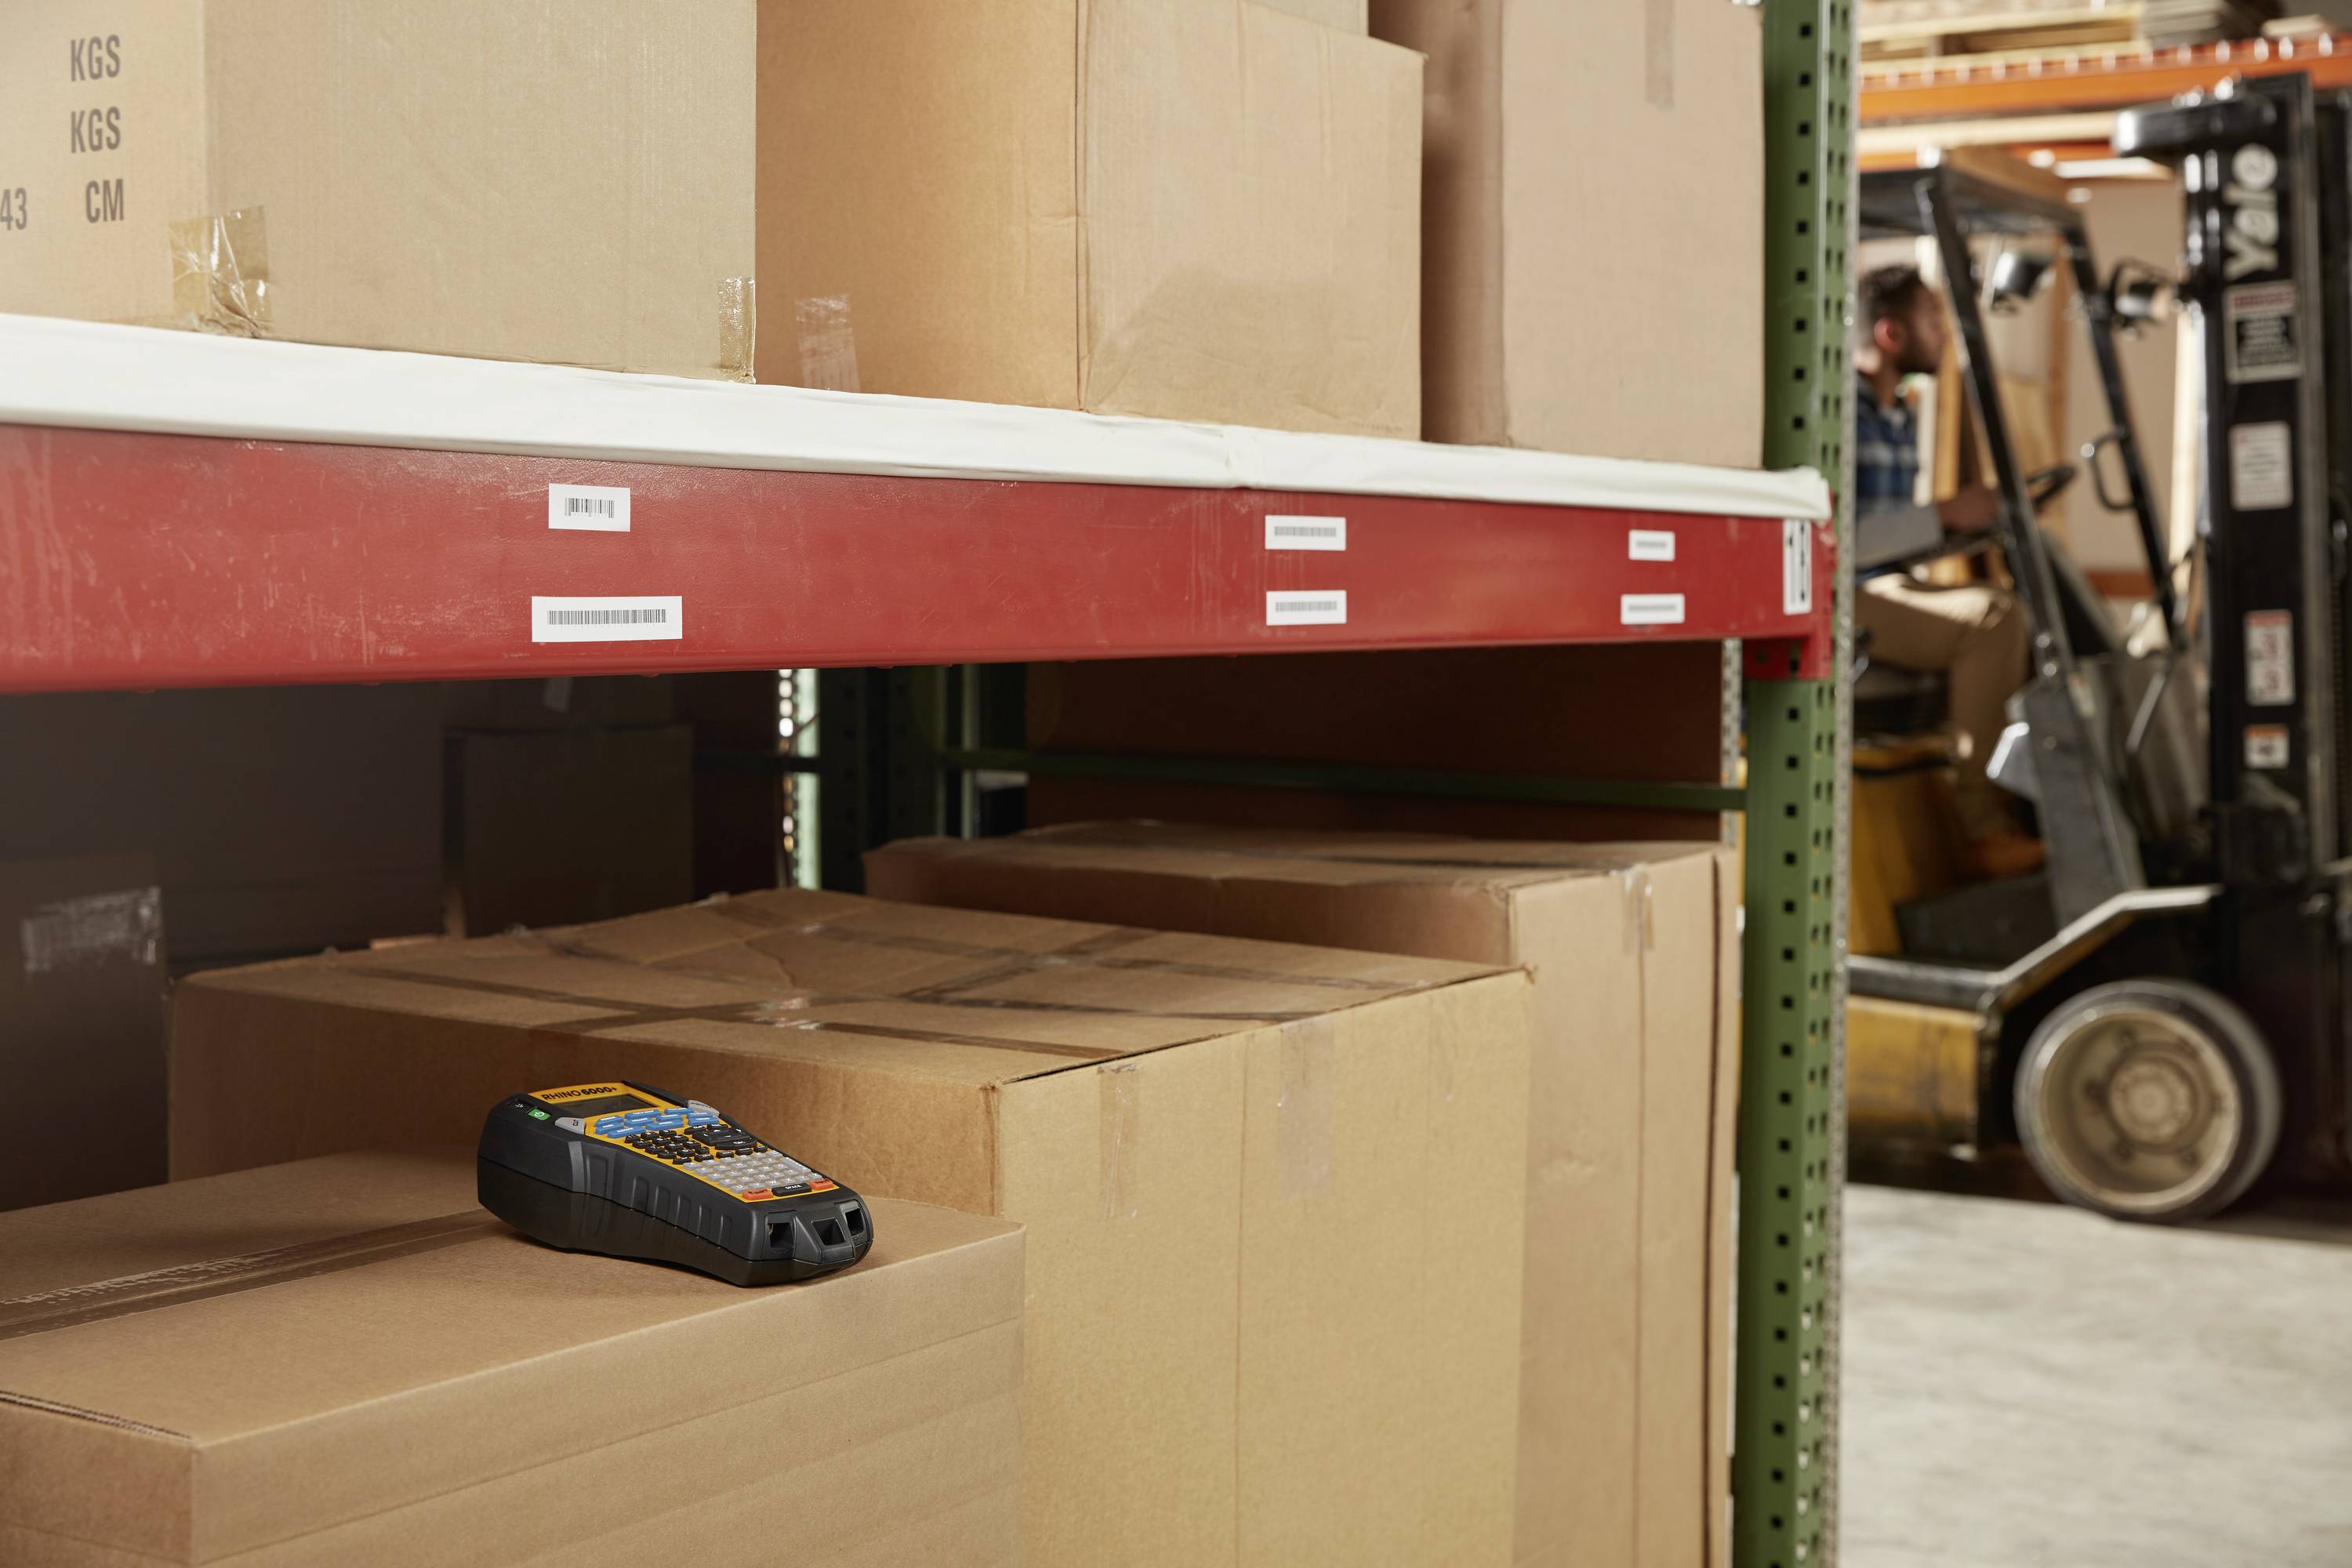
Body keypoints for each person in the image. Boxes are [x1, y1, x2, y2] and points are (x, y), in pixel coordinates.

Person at [1853, 264, 2042, 878]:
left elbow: (1894, 539)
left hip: (1887, 582)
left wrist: (1964, 523)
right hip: (1840, 595)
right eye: (1933, 321)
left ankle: (2034, 812)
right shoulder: (1840, 412)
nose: (1944, 335)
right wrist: (1942, 514)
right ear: (1890, 333)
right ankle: (1986, 829)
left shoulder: (1900, 413)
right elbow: (1831, 543)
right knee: (1992, 618)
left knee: (2033, 622)